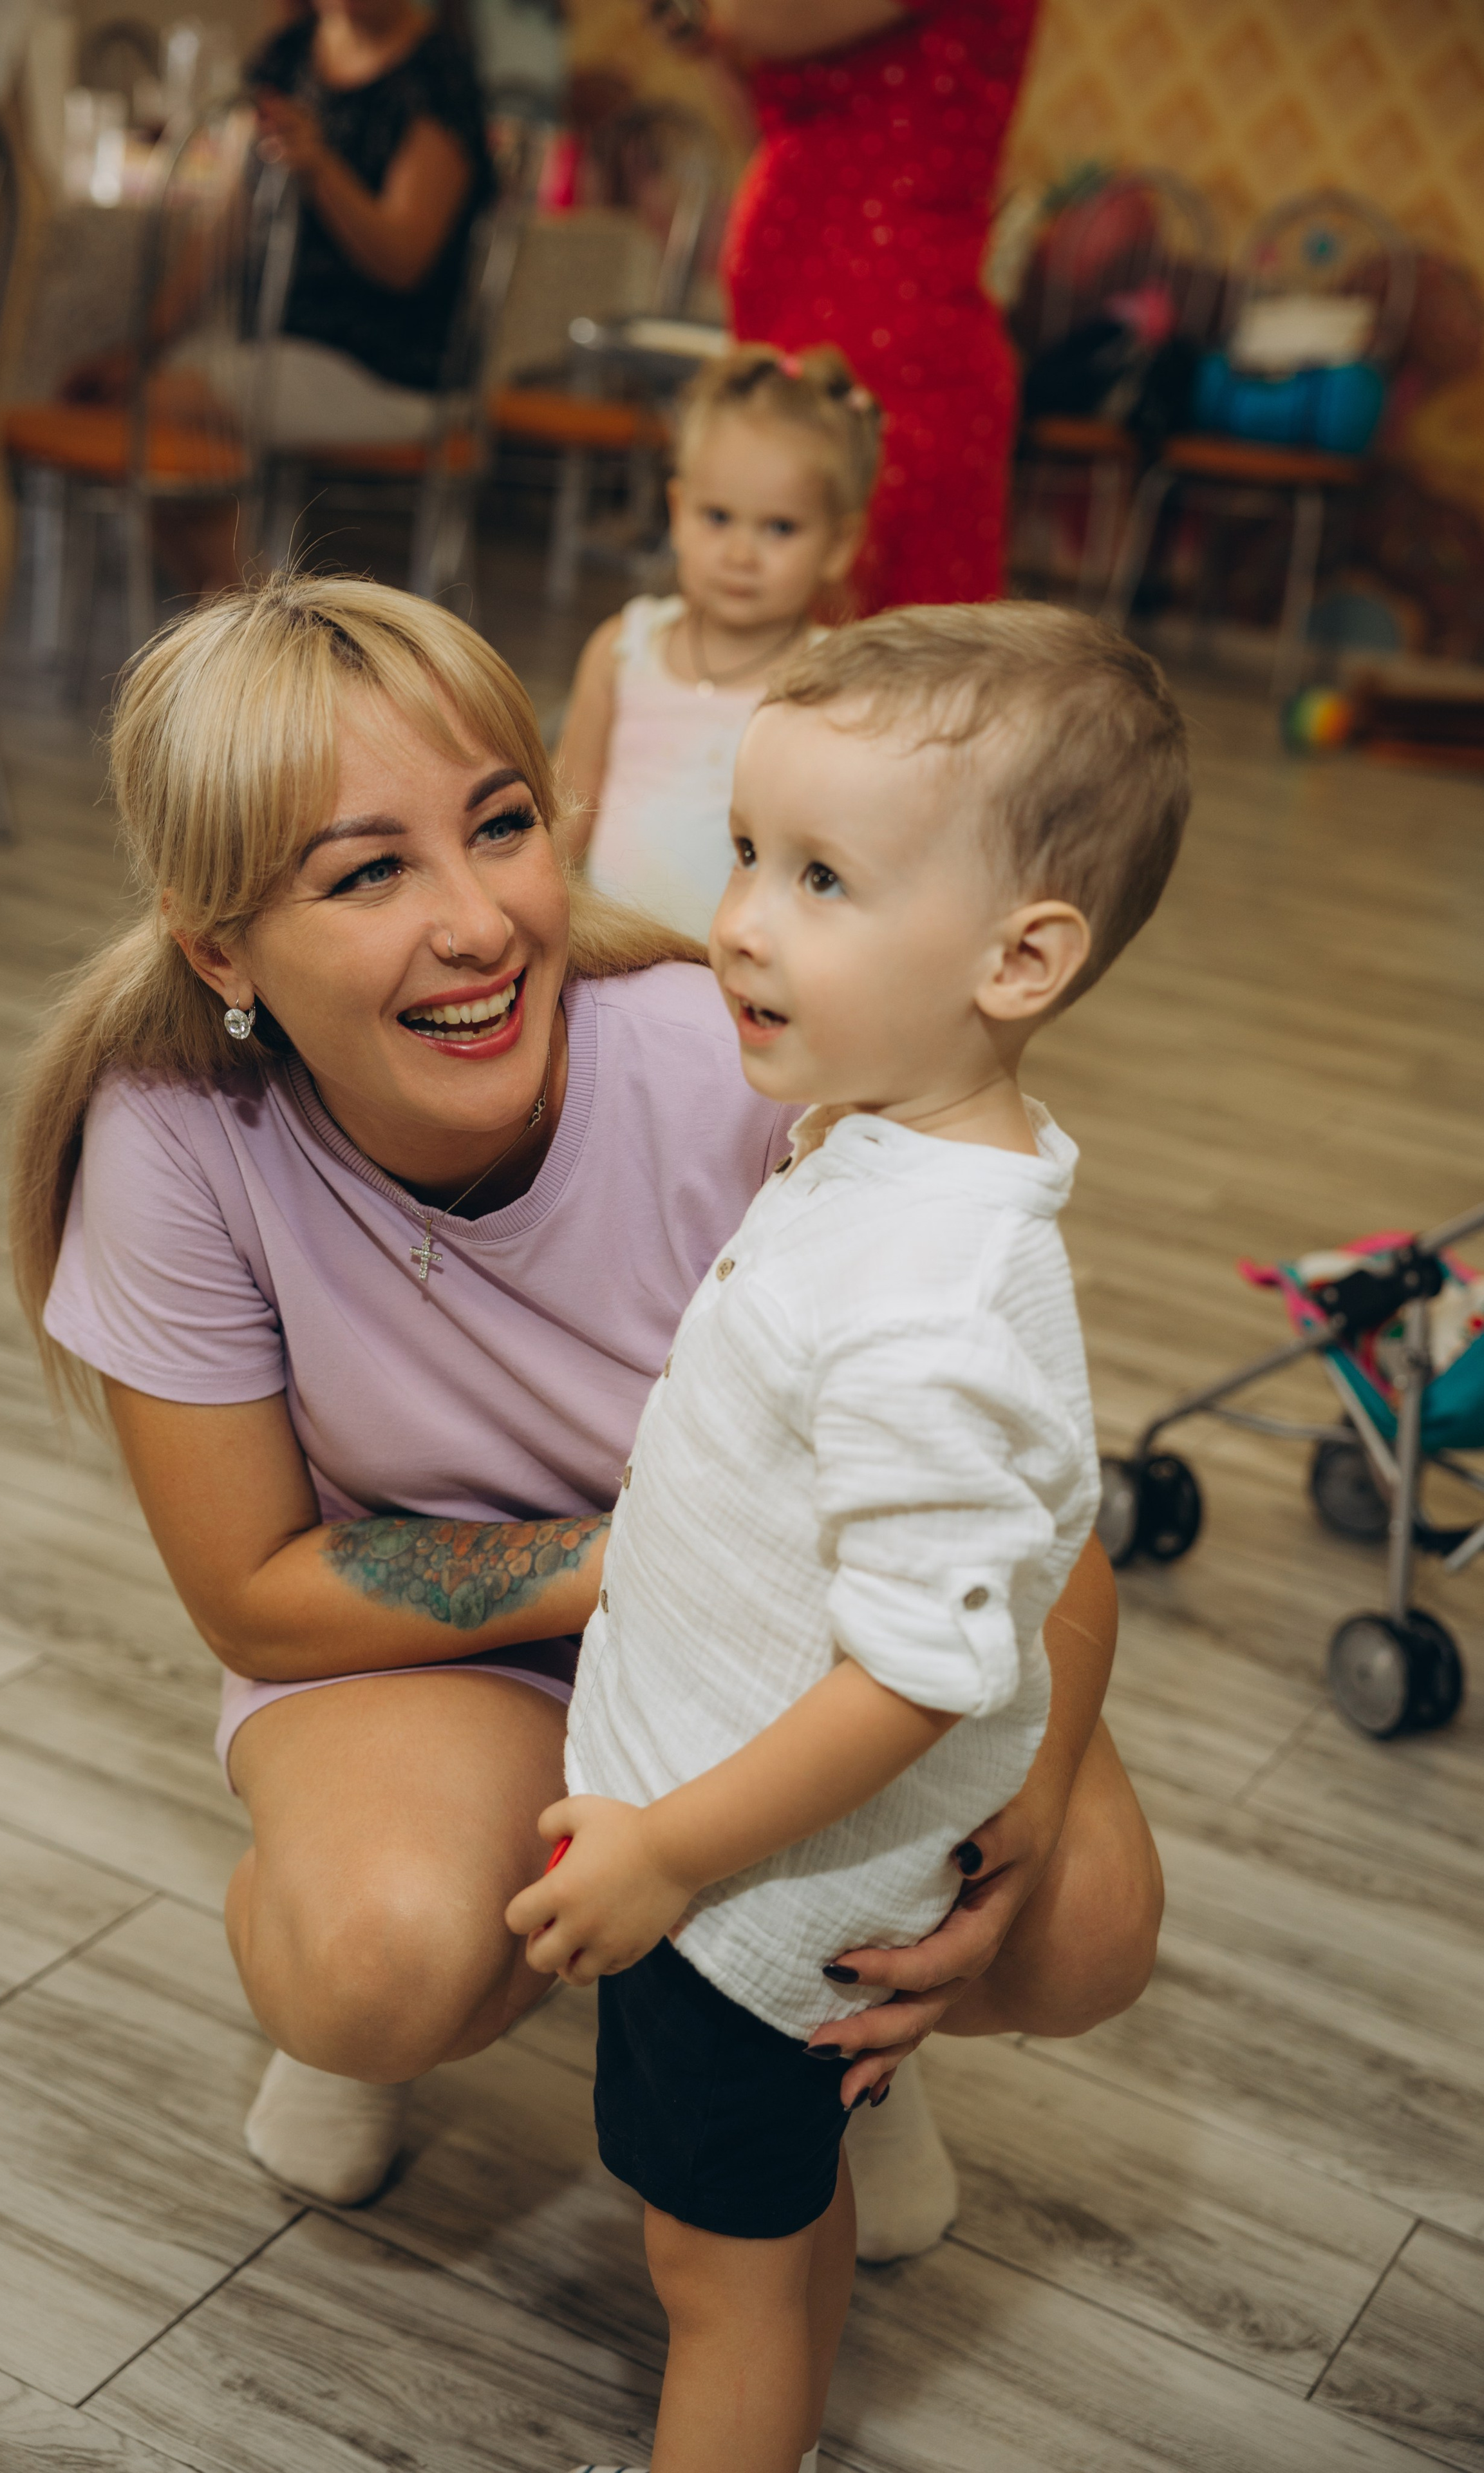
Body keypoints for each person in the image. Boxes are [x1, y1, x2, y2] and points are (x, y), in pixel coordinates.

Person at [8, 573, 1161, 2276]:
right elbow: (255, 1591)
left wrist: (1011, 1799)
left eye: (502, 825)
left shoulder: (747, 1065)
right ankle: (380, 1998)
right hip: (447, 1656)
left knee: (1082, 1930)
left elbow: (1015, 1512)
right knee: (384, 1954)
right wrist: (664, 1568)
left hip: (784, 1651)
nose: (479, 923)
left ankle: (822, 2022)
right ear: (222, 949)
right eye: (368, 869)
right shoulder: (173, 1140)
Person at [512, 603, 1187, 2473]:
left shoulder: (927, 1297)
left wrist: (665, 1847)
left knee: (704, 2265)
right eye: (742, 850)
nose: (739, 915)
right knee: (760, 2226)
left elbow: (917, 1658)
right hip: (722, 1831)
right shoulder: (885, 1136)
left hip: (745, 1897)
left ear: (1019, 954)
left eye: (818, 876)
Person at [64, 0, 494, 592]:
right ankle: (245, 606)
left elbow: (403, 261)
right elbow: (225, 227)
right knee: (134, 407)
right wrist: (144, 345)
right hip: (280, 351)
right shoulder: (290, 57)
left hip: (391, 370)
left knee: (160, 413)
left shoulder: (438, 76)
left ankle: (254, 614)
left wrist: (321, 170)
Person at [655, 0, 1037, 614]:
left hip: (895, 337)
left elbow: (750, 23)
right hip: (790, 316)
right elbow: (775, 122)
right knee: (768, 611)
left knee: (881, 652)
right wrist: (706, 41)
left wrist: (708, 20)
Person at [556, 343, 878, 940]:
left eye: (780, 527)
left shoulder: (832, 679)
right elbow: (569, 803)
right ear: (678, 512)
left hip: (740, 975)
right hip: (608, 956)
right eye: (718, 517)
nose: (740, 555)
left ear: (839, 543)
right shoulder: (623, 650)